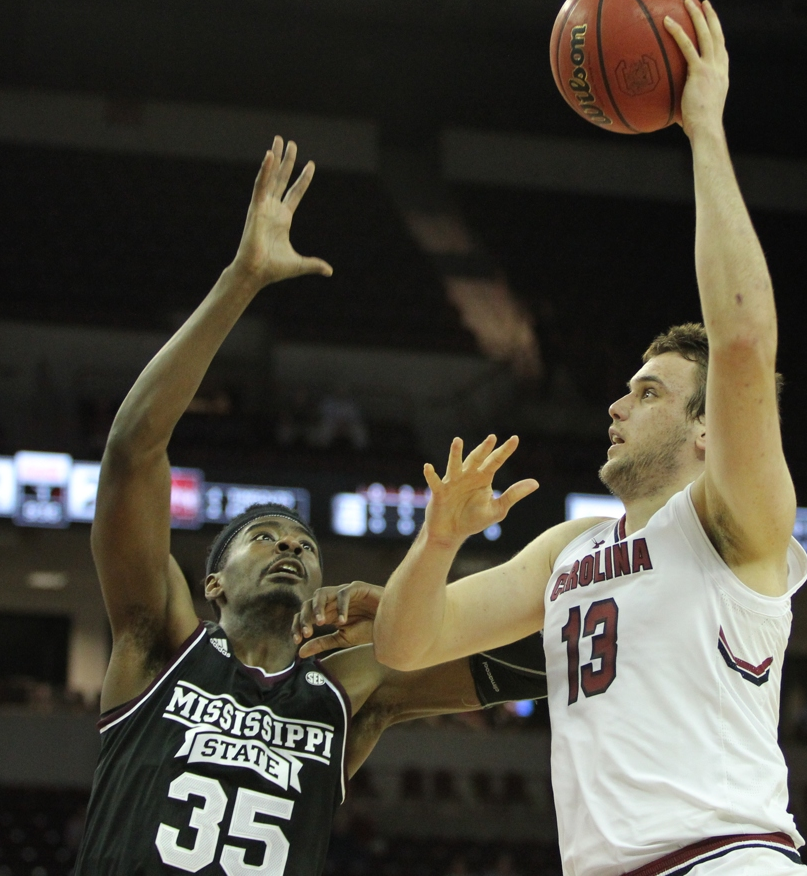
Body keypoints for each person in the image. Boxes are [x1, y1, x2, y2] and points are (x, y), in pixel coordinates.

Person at [368, 0, 807, 876]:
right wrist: (437, 541)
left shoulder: (736, 525)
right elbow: (403, 646)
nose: (618, 404)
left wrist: (704, 132)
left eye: (648, 392)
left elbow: (744, 341)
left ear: (702, 433)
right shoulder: (572, 549)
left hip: (724, 860)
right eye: (624, 387)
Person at [74, 138, 542, 876]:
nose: (291, 547)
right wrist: (241, 280)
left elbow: (548, 661)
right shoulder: (159, 645)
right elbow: (133, 451)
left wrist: (393, 605)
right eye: (263, 537)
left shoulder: (349, 689)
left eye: (302, 542)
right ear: (214, 582)